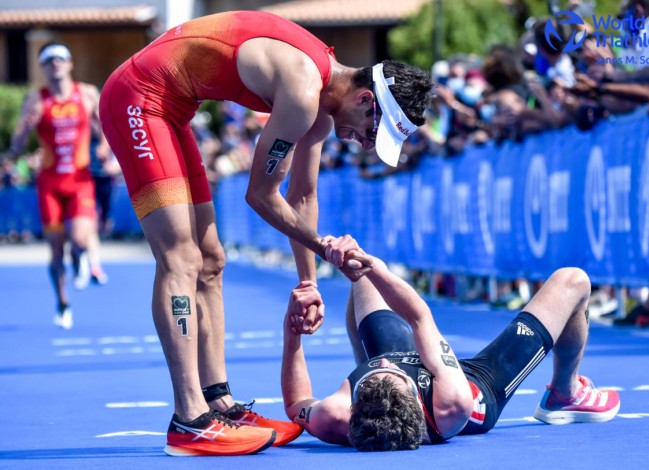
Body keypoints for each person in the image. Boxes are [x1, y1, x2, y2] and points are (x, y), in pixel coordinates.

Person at [98, 10, 433, 456]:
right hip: (138, 99)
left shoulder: (319, 109)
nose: (367, 144)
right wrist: (326, 249)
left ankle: (218, 403)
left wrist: (309, 282)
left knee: (211, 259)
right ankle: (190, 419)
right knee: (181, 257)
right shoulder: (301, 89)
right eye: (374, 133)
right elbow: (260, 194)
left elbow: (301, 198)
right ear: (367, 101)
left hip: (171, 109)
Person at [280, 242, 621, 451]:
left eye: (374, 369)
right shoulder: (451, 403)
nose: (388, 364)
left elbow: (296, 403)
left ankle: (365, 303)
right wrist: (378, 269)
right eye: (388, 369)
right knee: (574, 281)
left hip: (407, 397)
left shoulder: (334, 416)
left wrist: (292, 329)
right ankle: (566, 392)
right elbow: (419, 316)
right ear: (415, 390)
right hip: (477, 384)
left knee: (363, 279)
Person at [10, 42, 110, 329]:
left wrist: (104, 147)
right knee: (55, 249)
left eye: (60, 60)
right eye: (49, 61)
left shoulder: (87, 93)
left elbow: (106, 126)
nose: (55, 65)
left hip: (79, 181)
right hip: (50, 184)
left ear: (69, 64)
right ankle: (63, 303)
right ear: (42, 67)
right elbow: (16, 147)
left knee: (80, 239)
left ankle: (79, 257)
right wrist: (26, 129)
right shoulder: (36, 100)